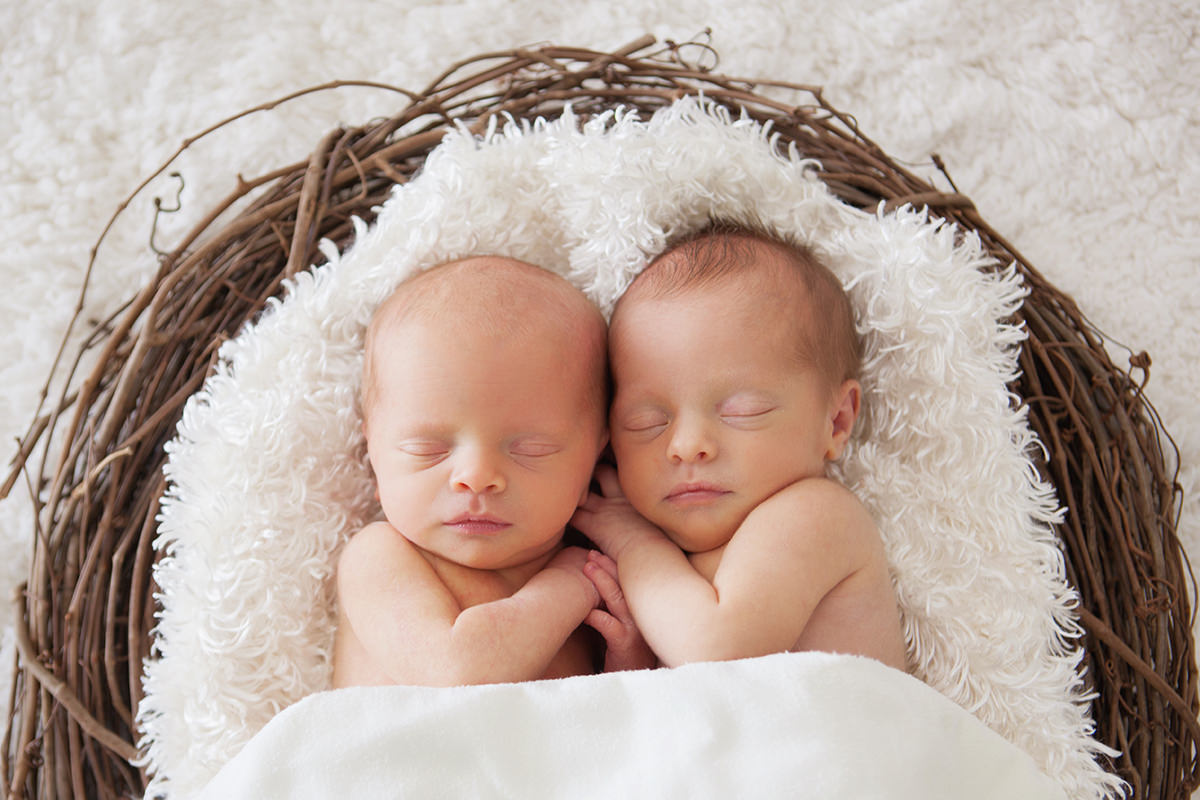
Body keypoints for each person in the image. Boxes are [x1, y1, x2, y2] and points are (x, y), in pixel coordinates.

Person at [572, 223, 910, 672]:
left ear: (836, 421)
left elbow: (717, 651)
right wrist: (633, 657)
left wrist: (635, 544)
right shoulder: (672, 567)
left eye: (742, 411)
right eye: (647, 422)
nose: (687, 446)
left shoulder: (814, 515)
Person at [332, 255, 648, 688]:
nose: (477, 476)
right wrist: (567, 587)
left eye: (530, 449)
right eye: (429, 449)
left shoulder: (601, 570)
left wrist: (629, 655)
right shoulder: (380, 557)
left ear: (594, 458)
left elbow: (625, 712)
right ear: (374, 456)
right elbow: (456, 671)